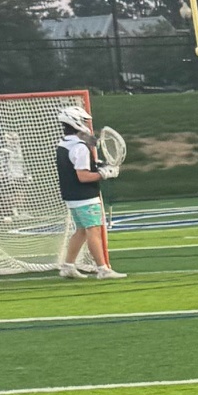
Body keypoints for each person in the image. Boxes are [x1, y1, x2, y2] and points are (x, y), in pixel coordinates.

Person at [55, 105, 121, 278]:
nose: (86, 125)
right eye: (83, 121)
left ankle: (68, 266)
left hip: (72, 196)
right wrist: (104, 174)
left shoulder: (64, 143)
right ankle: (103, 269)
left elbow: (74, 167)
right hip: (85, 197)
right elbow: (83, 176)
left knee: (81, 231)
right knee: (93, 231)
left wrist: (96, 165)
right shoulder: (80, 147)